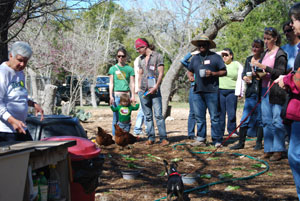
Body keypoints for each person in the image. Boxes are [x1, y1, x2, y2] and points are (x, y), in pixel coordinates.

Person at [251, 27, 287, 161]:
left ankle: (279, 150)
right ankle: (268, 149)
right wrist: (257, 73)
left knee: (277, 121)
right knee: (266, 121)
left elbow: (280, 72)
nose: (266, 41)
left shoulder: (280, 53)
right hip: (265, 91)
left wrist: (264, 67)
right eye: (264, 39)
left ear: (275, 38)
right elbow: (264, 74)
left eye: (268, 39)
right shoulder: (265, 53)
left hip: (277, 91)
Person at [276, 3, 300, 200]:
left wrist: (285, 80)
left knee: (295, 155)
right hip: (293, 109)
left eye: (293, 22)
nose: (291, 27)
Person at [187, 35, 227, 147]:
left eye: (204, 44)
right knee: (199, 117)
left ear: (208, 45)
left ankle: (217, 140)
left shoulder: (215, 57)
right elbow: (189, 71)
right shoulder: (195, 58)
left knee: (214, 117)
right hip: (197, 91)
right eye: (199, 44)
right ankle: (200, 139)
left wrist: (213, 73)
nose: (201, 46)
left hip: (212, 91)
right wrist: (190, 77)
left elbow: (224, 71)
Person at [0, 41, 44, 142]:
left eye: (25, 61)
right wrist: (12, 121)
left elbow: (18, 95)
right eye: (19, 60)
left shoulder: (20, 73)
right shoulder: (2, 73)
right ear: (11, 56)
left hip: (20, 127)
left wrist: (33, 104)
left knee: (32, 155)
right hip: (4, 131)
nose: (22, 64)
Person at [230, 39, 265, 150]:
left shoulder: (264, 59)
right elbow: (244, 73)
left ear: (262, 48)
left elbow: (266, 73)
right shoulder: (248, 59)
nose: (254, 49)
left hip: (260, 93)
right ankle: (241, 143)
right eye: (253, 46)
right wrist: (245, 77)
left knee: (260, 118)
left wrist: (257, 74)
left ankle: (258, 143)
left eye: (257, 47)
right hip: (250, 93)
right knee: (244, 118)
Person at [135, 38, 169, 146]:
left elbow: (161, 73)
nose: (138, 51)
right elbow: (140, 74)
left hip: (155, 91)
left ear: (145, 46)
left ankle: (163, 138)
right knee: (147, 115)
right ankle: (151, 138)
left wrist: (156, 86)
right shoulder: (140, 59)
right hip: (143, 92)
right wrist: (139, 88)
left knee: (158, 115)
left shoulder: (158, 56)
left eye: (139, 48)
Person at [281, 21, 300, 146]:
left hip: (295, 87)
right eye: (285, 31)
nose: (288, 32)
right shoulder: (284, 49)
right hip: (286, 87)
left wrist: (289, 78)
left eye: (290, 29)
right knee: (285, 115)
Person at [108, 48, 135, 136]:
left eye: (122, 56)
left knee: (126, 117)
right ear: (116, 57)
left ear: (125, 57)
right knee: (116, 118)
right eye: (119, 56)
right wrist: (111, 96)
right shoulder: (112, 69)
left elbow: (132, 83)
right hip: (116, 96)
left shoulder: (129, 69)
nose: (120, 58)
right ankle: (115, 137)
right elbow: (111, 83)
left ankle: (125, 137)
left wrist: (133, 96)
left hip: (126, 96)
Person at [218, 48, 244, 137]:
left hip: (232, 92)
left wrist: (241, 92)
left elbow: (242, 78)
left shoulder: (236, 64)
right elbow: (213, 55)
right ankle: (220, 132)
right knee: (221, 113)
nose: (224, 57)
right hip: (220, 91)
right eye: (223, 55)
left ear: (231, 56)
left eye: (226, 55)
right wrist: (220, 52)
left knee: (231, 113)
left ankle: (232, 131)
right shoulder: (219, 64)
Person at [180, 49, 200, 140]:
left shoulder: (207, 63)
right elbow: (183, 61)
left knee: (201, 113)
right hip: (194, 88)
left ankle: (200, 134)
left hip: (204, 89)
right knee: (192, 112)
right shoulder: (192, 64)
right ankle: (191, 134)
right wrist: (191, 53)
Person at [133, 55, 146, 135]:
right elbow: (138, 74)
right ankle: (137, 128)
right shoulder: (139, 59)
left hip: (144, 88)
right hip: (142, 88)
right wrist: (137, 87)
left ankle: (146, 128)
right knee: (142, 109)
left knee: (145, 109)